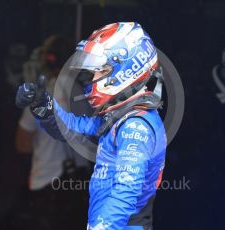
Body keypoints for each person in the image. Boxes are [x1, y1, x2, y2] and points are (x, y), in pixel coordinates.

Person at [16, 22, 167, 230]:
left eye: (100, 71)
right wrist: (44, 105)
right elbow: (74, 129)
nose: (92, 79)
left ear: (127, 69)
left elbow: (127, 191)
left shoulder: (136, 126)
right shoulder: (122, 116)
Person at [15, 35, 90, 230]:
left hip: (49, 186)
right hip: (78, 185)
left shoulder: (41, 95)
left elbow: (22, 144)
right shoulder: (86, 96)